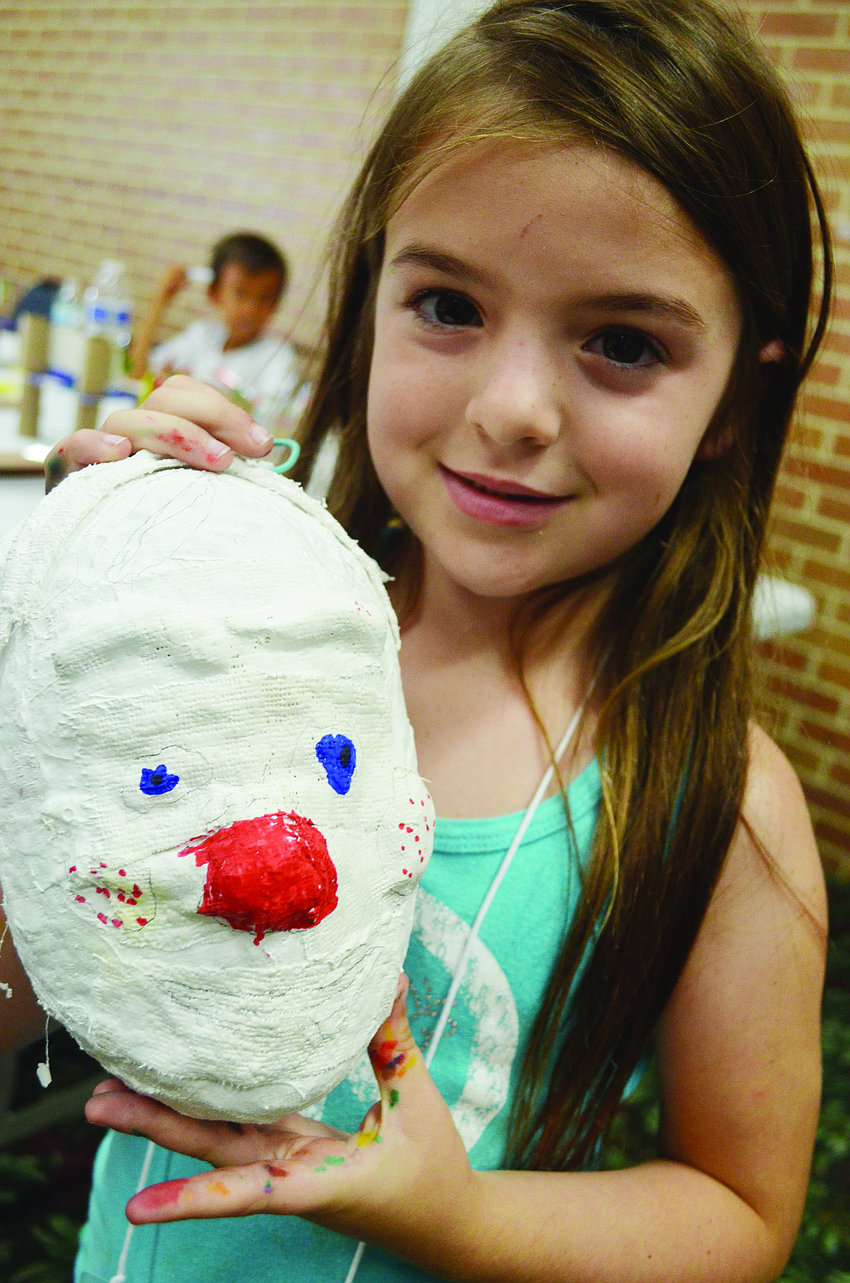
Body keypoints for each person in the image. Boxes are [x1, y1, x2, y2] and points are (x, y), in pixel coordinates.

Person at [3, 0, 831, 1279]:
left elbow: (741, 1211)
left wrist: (452, 1211)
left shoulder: (719, 806)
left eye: (621, 342)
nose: (510, 409)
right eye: (447, 303)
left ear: (736, 396)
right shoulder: (227, 645)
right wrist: (73, 632)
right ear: (370, 296)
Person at [128, 230, 301, 419]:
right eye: (240, 294)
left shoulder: (277, 356)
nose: (251, 309)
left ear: (277, 303)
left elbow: (272, 418)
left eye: (265, 298)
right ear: (214, 292)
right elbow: (137, 373)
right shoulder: (201, 335)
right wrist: (161, 301)